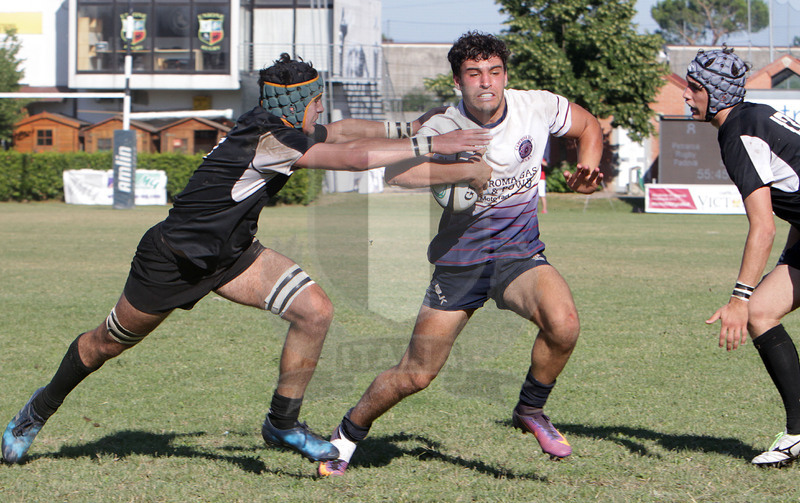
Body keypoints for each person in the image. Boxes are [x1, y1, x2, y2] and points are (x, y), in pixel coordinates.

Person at [1, 53, 491, 465]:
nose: (321, 111)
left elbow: (341, 132)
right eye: (317, 102)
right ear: (299, 104)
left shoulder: (276, 124)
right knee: (105, 345)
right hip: (172, 260)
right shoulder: (270, 139)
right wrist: (433, 143)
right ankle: (36, 411)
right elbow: (353, 156)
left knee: (314, 311)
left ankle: (282, 424)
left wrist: (409, 124)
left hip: (233, 257)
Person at [318, 32, 603, 477]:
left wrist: (589, 166)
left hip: (519, 255)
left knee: (564, 325)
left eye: (494, 72)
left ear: (506, 76)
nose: (485, 83)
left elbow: (587, 125)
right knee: (416, 374)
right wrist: (468, 169)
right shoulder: (443, 127)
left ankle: (530, 410)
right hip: (460, 264)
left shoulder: (537, 106)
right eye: (474, 74)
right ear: (458, 81)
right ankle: (346, 435)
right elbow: (398, 173)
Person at [683, 47, 800, 467]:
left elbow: (763, 226)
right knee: (762, 312)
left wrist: (738, 297)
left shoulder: (738, 132)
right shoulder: (756, 115)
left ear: (715, 93)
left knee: (751, 308)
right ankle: (798, 433)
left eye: (695, 88)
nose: (687, 96)